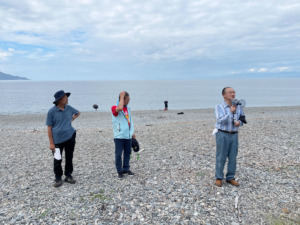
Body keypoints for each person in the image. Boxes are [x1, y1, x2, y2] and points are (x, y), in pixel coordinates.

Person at [46, 90, 80, 187]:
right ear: (59, 100)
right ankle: (58, 177)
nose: (67, 99)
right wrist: (51, 143)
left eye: (66, 97)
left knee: (69, 157)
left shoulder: (68, 108)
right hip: (56, 140)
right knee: (57, 159)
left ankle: (68, 175)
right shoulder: (51, 111)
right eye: (65, 97)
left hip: (70, 136)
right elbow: (49, 128)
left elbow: (78, 112)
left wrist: (72, 119)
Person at [214, 87, 245, 187]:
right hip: (222, 133)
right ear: (224, 95)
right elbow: (219, 121)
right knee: (221, 156)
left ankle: (230, 177)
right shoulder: (219, 107)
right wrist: (230, 112)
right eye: (230, 92)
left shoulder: (239, 107)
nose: (233, 94)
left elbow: (242, 120)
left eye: (234, 92)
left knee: (233, 157)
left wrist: (239, 123)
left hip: (234, 134)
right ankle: (219, 177)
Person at [111, 91, 136, 179]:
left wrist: (132, 132)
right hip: (119, 136)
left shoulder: (128, 108)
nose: (129, 101)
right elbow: (119, 108)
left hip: (128, 135)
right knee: (118, 154)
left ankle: (126, 168)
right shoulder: (114, 107)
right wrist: (121, 97)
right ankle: (119, 171)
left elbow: (129, 121)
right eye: (127, 99)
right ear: (123, 99)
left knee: (128, 153)